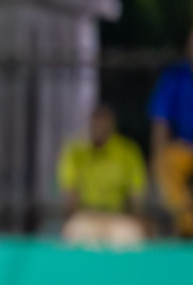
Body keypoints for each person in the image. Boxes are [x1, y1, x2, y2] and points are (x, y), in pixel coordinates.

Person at [58, 105, 146, 246]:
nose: (99, 127)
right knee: (74, 235)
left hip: (117, 216)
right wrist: (69, 220)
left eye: (104, 123)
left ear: (113, 124)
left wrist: (138, 219)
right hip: (86, 215)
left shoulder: (128, 151)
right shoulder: (75, 151)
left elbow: (135, 193)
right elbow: (70, 191)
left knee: (131, 238)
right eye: (96, 122)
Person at [149, 24, 193, 238]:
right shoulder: (175, 77)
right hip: (184, 148)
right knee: (166, 161)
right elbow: (160, 122)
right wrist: (157, 156)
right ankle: (187, 227)